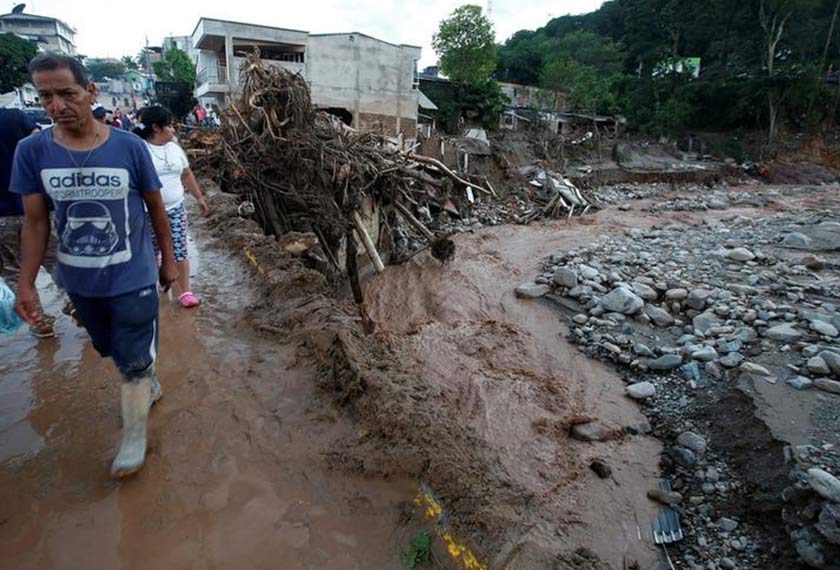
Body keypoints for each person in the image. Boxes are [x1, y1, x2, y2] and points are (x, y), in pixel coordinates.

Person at [11, 52, 178, 478]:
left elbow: (156, 210)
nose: (56, 106)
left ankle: (135, 438)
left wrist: (168, 261)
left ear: (90, 92)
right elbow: (34, 222)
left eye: (66, 93)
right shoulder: (31, 152)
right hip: (79, 278)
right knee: (110, 349)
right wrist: (26, 284)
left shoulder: (129, 148)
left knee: (133, 359)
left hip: (134, 271)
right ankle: (145, 378)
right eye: (44, 96)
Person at [134, 106, 209, 308]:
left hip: (175, 209)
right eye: (169, 126)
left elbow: (186, 174)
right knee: (151, 252)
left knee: (180, 250)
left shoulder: (175, 148)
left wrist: (199, 197)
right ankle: (153, 286)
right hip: (147, 213)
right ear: (156, 128)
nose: (173, 130)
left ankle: (184, 291)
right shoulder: (139, 150)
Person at [0, 107, 57, 338]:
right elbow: (43, 146)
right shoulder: (15, 117)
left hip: (2, 217)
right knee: (57, 260)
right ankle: (77, 304)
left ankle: (39, 322)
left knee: (14, 271)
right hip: (38, 207)